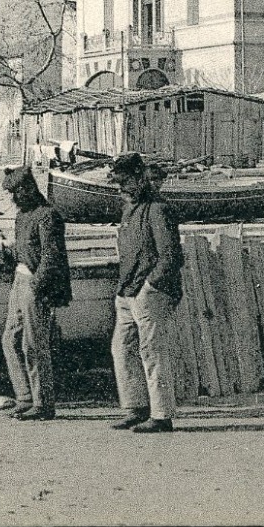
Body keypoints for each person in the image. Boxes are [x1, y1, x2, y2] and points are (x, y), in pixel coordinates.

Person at [108, 151, 182, 434]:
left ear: (140, 178)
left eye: (125, 182)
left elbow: (171, 257)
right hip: (127, 292)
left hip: (149, 293)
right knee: (122, 349)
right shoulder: (129, 208)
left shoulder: (158, 210)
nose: (121, 188)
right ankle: (136, 407)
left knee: (152, 351)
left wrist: (149, 288)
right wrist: (124, 291)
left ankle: (161, 415)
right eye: (117, 183)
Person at [0, 166, 71, 420]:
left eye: (15, 193)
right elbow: (21, 251)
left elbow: (51, 257)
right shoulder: (23, 216)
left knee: (33, 344)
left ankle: (42, 403)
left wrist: (37, 286)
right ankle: (25, 397)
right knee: (9, 340)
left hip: (32, 284)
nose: (12, 199)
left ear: (28, 189)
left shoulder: (47, 216)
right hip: (19, 280)